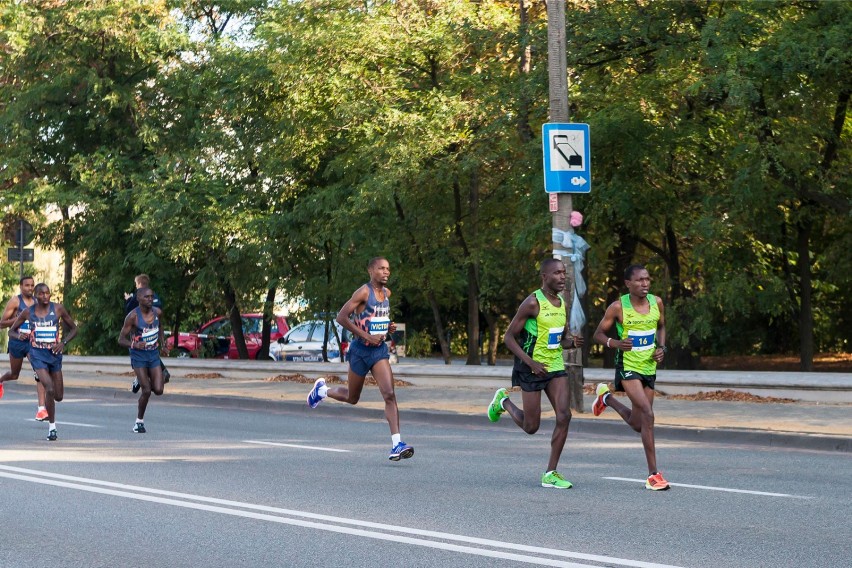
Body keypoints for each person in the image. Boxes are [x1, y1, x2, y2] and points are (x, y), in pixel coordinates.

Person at [487, 258, 584, 489]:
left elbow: (558, 340)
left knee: (564, 416)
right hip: (530, 368)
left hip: (554, 366)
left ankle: (551, 473)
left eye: (564, 273)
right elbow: (508, 337)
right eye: (557, 273)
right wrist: (531, 362)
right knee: (531, 427)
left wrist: (571, 343)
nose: (562, 277)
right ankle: (503, 402)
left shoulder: (561, 303)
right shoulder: (532, 303)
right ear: (544, 276)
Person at [306, 257, 413, 461]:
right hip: (359, 351)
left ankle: (396, 444)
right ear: (371, 270)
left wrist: (388, 327)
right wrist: (366, 336)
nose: (386, 272)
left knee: (389, 394)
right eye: (381, 268)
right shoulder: (363, 292)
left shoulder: (387, 294)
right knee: (352, 397)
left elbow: (377, 320)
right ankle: (322, 390)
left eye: (388, 269)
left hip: (378, 351)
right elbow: (341, 317)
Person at [591, 264, 670, 491]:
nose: (645, 284)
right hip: (627, 367)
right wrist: (615, 343)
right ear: (628, 284)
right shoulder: (618, 307)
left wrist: (662, 348)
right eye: (639, 280)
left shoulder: (657, 302)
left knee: (638, 424)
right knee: (648, 414)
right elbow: (598, 334)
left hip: (648, 367)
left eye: (647, 279)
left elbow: (662, 326)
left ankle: (607, 399)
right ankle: (653, 475)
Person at [9, 283, 78, 441]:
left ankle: (49, 402)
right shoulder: (28, 312)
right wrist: (18, 336)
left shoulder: (58, 309)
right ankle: (52, 428)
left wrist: (63, 343)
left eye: (47, 293)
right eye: (41, 294)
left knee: (59, 396)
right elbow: (12, 330)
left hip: (54, 355)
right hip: (37, 354)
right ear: (36, 295)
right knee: (49, 387)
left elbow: (74, 328)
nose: (45, 296)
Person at [118, 287, 167, 433]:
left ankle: (141, 379)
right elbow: (120, 339)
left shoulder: (157, 313)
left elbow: (161, 328)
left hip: (153, 354)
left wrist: (163, 344)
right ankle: (139, 422)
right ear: (139, 299)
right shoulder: (133, 317)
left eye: (152, 297)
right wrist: (134, 344)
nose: (150, 299)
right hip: (138, 355)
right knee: (146, 390)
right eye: (147, 297)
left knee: (158, 390)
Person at [0, 276, 48, 419]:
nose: (30, 288)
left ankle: (41, 409)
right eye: (27, 285)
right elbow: (2, 323)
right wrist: (20, 317)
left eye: (32, 285)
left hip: (32, 343)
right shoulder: (15, 301)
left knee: (39, 371)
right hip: (17, 341)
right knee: (14, 374)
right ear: (21, 286)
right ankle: (0, 380)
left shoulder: (37, 302)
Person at [123, 274, 167, 392]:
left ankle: (143, 378)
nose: (150, 300)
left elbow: (128, 311)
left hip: (143, 333)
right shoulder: (155, 296)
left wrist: (128, 300)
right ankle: (144, 378)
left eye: (136, 284)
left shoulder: (139, 296)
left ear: (139, 284)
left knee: (147, 350)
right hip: (149, 333)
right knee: (143, 352)